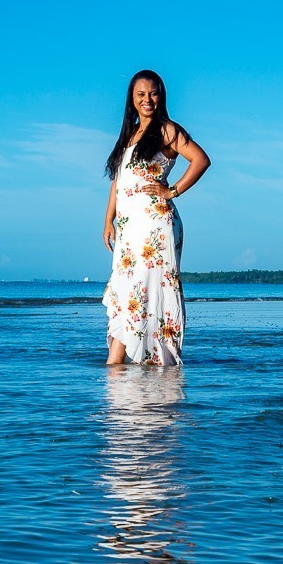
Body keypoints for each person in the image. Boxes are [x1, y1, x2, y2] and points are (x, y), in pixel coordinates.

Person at [102, 70, 211, 365]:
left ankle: (125, 365)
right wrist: (108, 219)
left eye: (153, 93)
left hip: (154, 226)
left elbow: (201, 160)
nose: (147, 99)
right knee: (126, 291)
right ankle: (120, 365)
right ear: (132, 100)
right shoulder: (130, 133)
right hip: (128, 228)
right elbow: (118, 180)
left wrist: (172, 190)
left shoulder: (167, 130)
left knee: (145, 291)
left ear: (161, 96)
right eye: (141, 95)